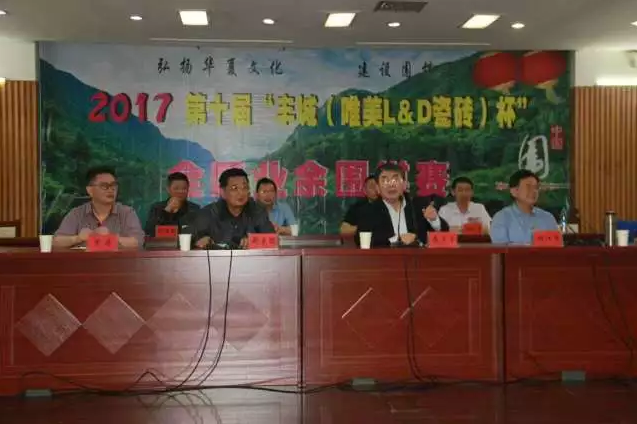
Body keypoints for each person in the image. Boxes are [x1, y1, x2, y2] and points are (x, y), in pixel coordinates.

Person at [357, 163, 449, 247]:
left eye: (396, 179)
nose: (391, 185)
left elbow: (445, 232)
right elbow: (361, 240)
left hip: (418, 258)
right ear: (377, 188)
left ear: (404, 184)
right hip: (384, 259)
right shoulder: (368, 211)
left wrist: (434, 220)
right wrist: (397, 239)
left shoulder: (418, 205)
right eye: (385, 180)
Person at [53, 166, 144, 249]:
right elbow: (56, 242)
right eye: (104, 186)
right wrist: (78, 238)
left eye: (113, 185)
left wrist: (110, 238)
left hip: (117, 261)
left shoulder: (127, 213)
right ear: (90, 190)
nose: (111, 190)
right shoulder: (76, 213)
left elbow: (138, 241)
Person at [193, 168, 274, 249]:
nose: (241, 193)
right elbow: (192, 240)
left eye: (245, 187)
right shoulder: (209, 213)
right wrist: (202, 240)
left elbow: (272, 240)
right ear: (223, 192)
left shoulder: (257, 211)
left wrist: (254, 241)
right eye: (234, 188)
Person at [490, 169, 558, 245]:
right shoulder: (501, 218)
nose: (534, 191)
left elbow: (556, 247)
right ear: (514, 191)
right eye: (528, 187)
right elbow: (501, 249)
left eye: (536, 187)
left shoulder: (548, 218)